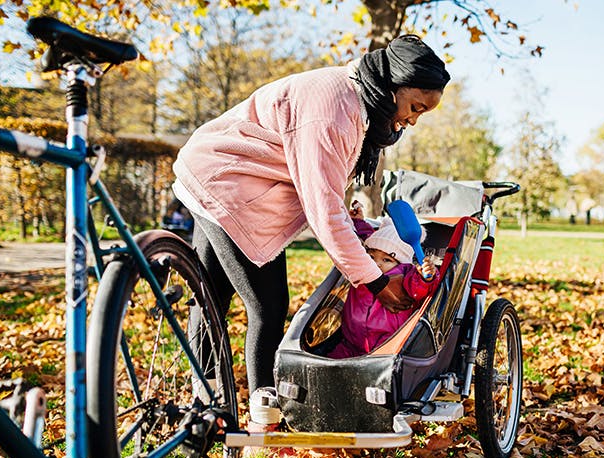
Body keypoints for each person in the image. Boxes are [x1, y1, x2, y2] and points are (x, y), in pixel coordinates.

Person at [170, 35, 450, 412]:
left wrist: (344, 210)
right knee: (267, 305)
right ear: (393, 84)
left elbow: (326, 189)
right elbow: (324, 212)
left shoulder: (356, 99)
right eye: (415, 106)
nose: (413, 120)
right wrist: (377, 281)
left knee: (211, 300)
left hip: (213, 171)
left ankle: (203, 411)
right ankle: (261, 413)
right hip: (228, 183)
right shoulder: (334, 108)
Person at [327, 209, 439, 359]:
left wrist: (427, 277)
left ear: (400, 262)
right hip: (351, 342)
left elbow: (420, 289)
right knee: (328, 365)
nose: (376, 264)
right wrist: (358, 221)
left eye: (387, 260)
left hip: (385, 348)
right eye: (372, 257)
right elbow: (366, 239)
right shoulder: (364, 266)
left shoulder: (406, 275)